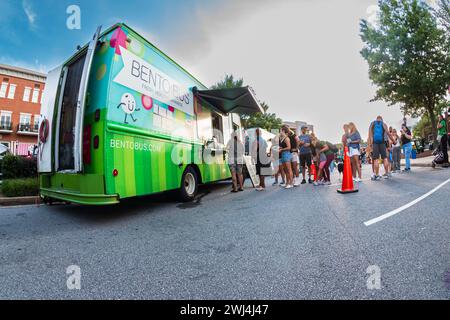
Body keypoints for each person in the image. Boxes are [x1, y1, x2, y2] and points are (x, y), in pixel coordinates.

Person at [368, 116, 390, 180]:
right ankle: (386, 173)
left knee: (376, 160)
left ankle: (377, 175)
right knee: (385, 158)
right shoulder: (383, 124)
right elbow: (387, 134)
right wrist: (390, 143)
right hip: (382, 143)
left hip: (375, 143)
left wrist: (369, 145)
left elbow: (369, 135)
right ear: (381, 119)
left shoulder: (372, 123)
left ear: (376, 118)